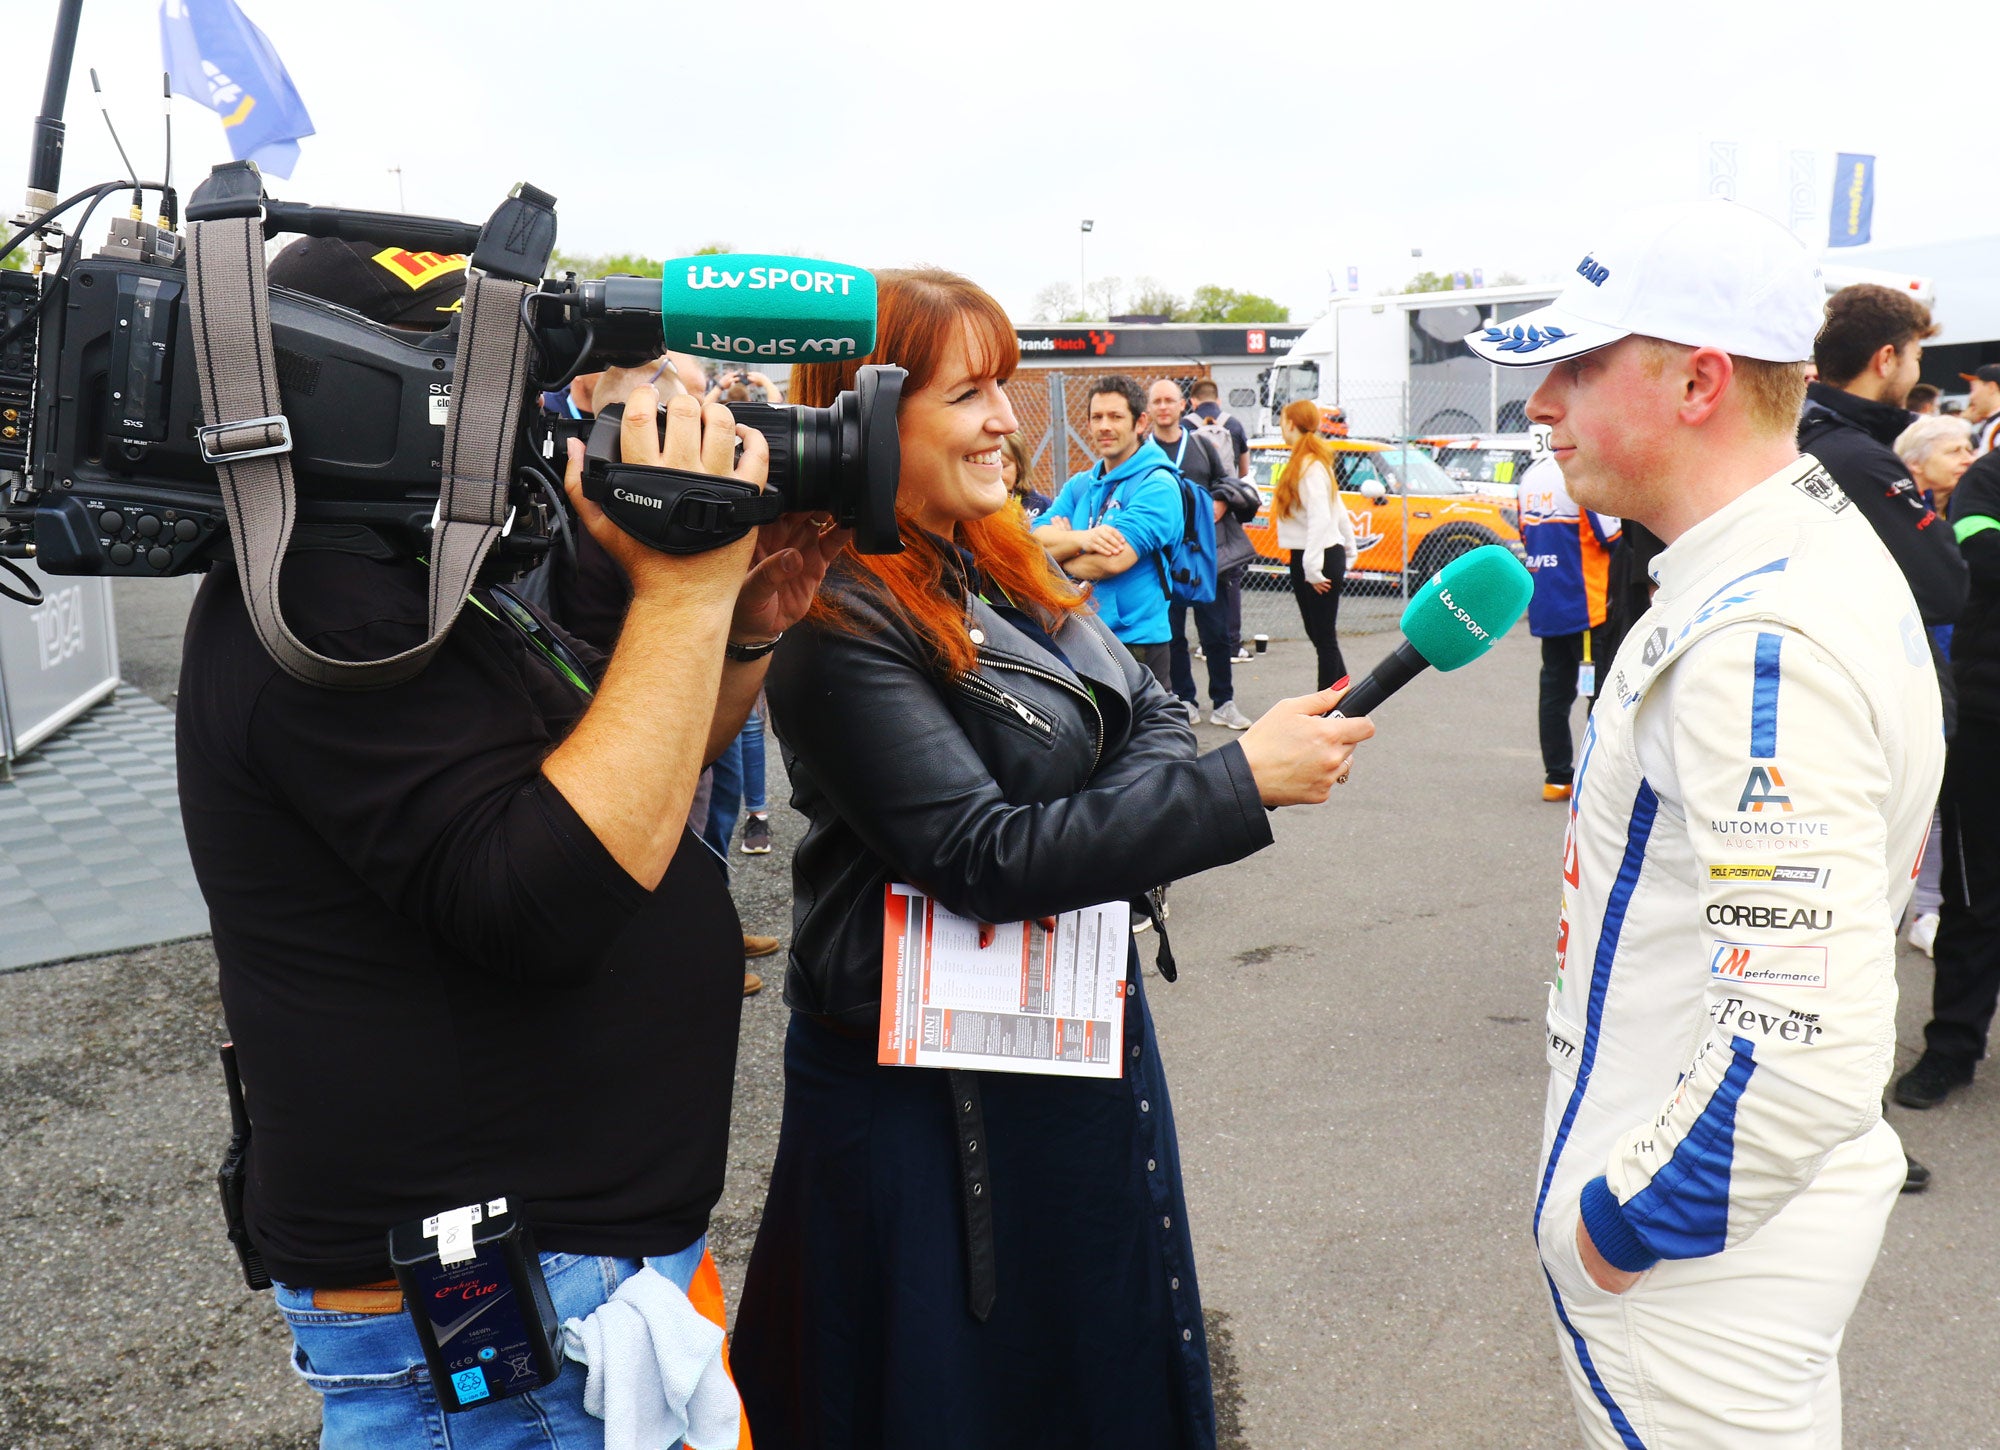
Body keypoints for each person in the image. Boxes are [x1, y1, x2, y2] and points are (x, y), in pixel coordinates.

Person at [179, 237, 849, 1449]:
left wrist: (734, 629)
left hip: (584, 1281)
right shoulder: (321, 608)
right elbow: (541, 899)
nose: (509, 417)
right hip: (504, 1324)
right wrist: (684, 591)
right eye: (465, 375)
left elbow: (633, 782)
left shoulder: (417, 574)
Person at [731, 268, 1374, 1450]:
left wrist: (1149, 796)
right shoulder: (831, 614)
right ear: (862, 414)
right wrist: (1233, 786)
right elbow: (977, 851)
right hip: (922, 1094)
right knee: (949, 1394)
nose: (1005, 421)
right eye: (968, 393)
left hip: (1065, 1036)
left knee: (1092, 1368)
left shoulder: (998, 556)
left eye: (1005, 389)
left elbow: (1152, 714)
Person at [1467, 198, 1943, 1447]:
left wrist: (1612, 1233)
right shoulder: (1791, 549)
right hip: (1753, 1239)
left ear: (1696, 381)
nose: (1538, 404)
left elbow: (1796, 1044)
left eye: (1576, 364)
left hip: (1695, 1277)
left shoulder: (1754, 634)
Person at [1798, 284, 1967, 737]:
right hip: (1873, 704)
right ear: (1887, 358)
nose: (1916, 371)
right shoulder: (1858, 457)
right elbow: (1945, 587)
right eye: (1917, 357)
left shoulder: (1800, 433)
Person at [1895, 438, 2000, 1109]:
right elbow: (1981, 557)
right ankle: (1952, 1048)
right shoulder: (1986, 480)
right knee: (1974, 894)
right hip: (1989, 718)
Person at [1033, 375, 1185, 691]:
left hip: (1136, 643)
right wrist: (1082, 540)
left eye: (1116, 417)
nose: (1104, 426)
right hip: (1078, 637)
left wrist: (1055, 556)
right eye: (1097, 417)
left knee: (1145, 738)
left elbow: (1111, 563)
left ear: (1140, 422)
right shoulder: (1080, 485)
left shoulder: (1158, 485)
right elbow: (1030, 543)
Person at [1892, 414, 1976, 960]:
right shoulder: (1904, 519)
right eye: (1955, 450)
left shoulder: (1958, 508)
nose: (1968, 457)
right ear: (1916, 463)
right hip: (1925, 671)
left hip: (1961, 668)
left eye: (1970, 447)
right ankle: (1922, 908)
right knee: (1930, 800)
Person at [1148, 378, 1258, 730]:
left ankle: (1224, 702)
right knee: (1173, 634)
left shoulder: (1202, 446)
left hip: (1203, 558)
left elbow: (1228, 483)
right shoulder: (1142, 452)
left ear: (1184, 405)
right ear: (1148, 410)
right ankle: (1186, 700)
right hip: (1163, 560)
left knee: (1216, 632)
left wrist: (1222, 502)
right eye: (1157, 402)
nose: (1164, 407)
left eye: (1170, 400)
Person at [1516, 450, 1620, 802]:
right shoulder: (1580, 471)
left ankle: (1557, 777)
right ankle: (1597, 780)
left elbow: (1525, 534)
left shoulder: (1529, 476)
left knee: (1554, 692)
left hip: (1546, 601)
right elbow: (1612, 536)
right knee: (1598, 692)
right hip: (1586, 603)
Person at [1273, 398, 1358, 690]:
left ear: (1292, 424)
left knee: (1324, 638)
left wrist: (1311, 565)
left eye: (1282, 420)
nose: (1280, 426)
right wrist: (1350, 544)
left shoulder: (1309, 465)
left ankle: (1327, 708)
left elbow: (1322, 515)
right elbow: (1338, 506)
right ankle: (1345, 696)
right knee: (1320, 635)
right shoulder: (1307, 461)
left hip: (1317, 559)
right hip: (1315, 556)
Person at [999, 429, 1051, 517]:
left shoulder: (1040, 506)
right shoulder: (972, 510)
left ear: (1020, 467)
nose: (996, 475)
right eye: (986, 465)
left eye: (1003, 466)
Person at [1961, 363, 2000, 455]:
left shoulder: (1997, 426)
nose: (1971, 397)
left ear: (1991, 387)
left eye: (1973, 389)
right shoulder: (1993, 422)